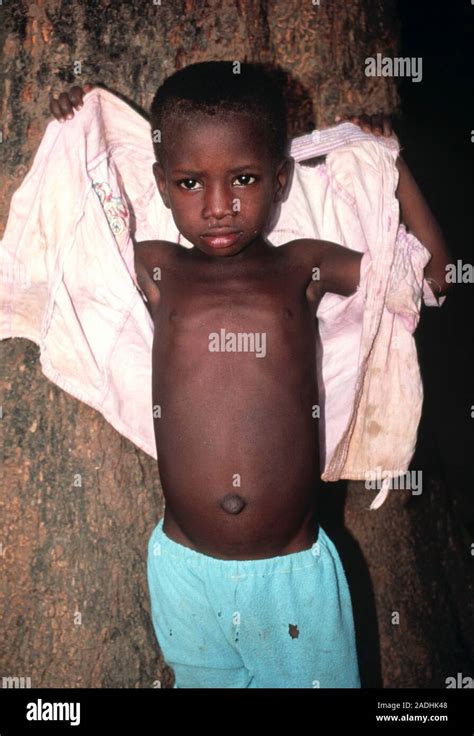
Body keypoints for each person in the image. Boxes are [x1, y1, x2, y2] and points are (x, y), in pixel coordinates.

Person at [49, 62, 451, 688]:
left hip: (292, 582)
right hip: (183, 572)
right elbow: (80, 245)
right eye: (189, 183)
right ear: (160, 186)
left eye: (243, 179)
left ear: (282, 178)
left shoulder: (302, 266)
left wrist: (390, 166)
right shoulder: (157, 269)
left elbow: (429, 278)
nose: (219, 207)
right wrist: (80, 129)